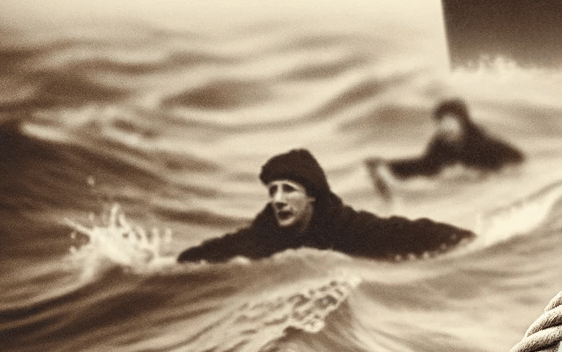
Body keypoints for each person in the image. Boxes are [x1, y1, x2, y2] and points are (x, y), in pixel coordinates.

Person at [178, 149, 473, 264]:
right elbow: (226, 247)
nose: (277, 198)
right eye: (273, 191)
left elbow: (404, 231)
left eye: (288, 190)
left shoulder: (345, 226)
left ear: (313, 197)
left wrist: (466, 241)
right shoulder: (267, 230)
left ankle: (384, 181)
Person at [373, 99, 524, 181]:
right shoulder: (439, 144)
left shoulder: (483, 142)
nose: (444, 126)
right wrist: (388, 166)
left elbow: (516, 159)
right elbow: (427, 165)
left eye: (449, 120)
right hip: (458, 192)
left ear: (462, 121)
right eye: (440, 121)